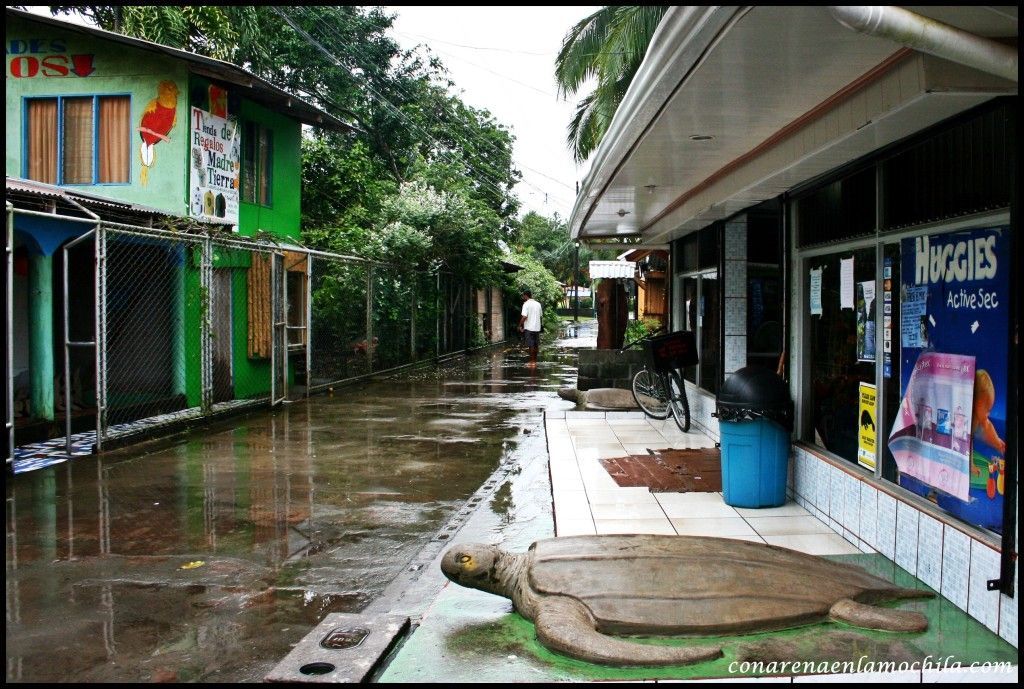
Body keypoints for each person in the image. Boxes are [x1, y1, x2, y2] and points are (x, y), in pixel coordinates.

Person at [519, 290, 543, 367]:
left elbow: (524, 316)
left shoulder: (526, 304)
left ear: (525, 296)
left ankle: (532, 362)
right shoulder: (538, 304)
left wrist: (519, 325)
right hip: (537, 328)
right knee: (536, 345)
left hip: (529, 328)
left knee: (531, 345)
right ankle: (535, 361)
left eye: (523, 296)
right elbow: (540, 316)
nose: (523, 297)